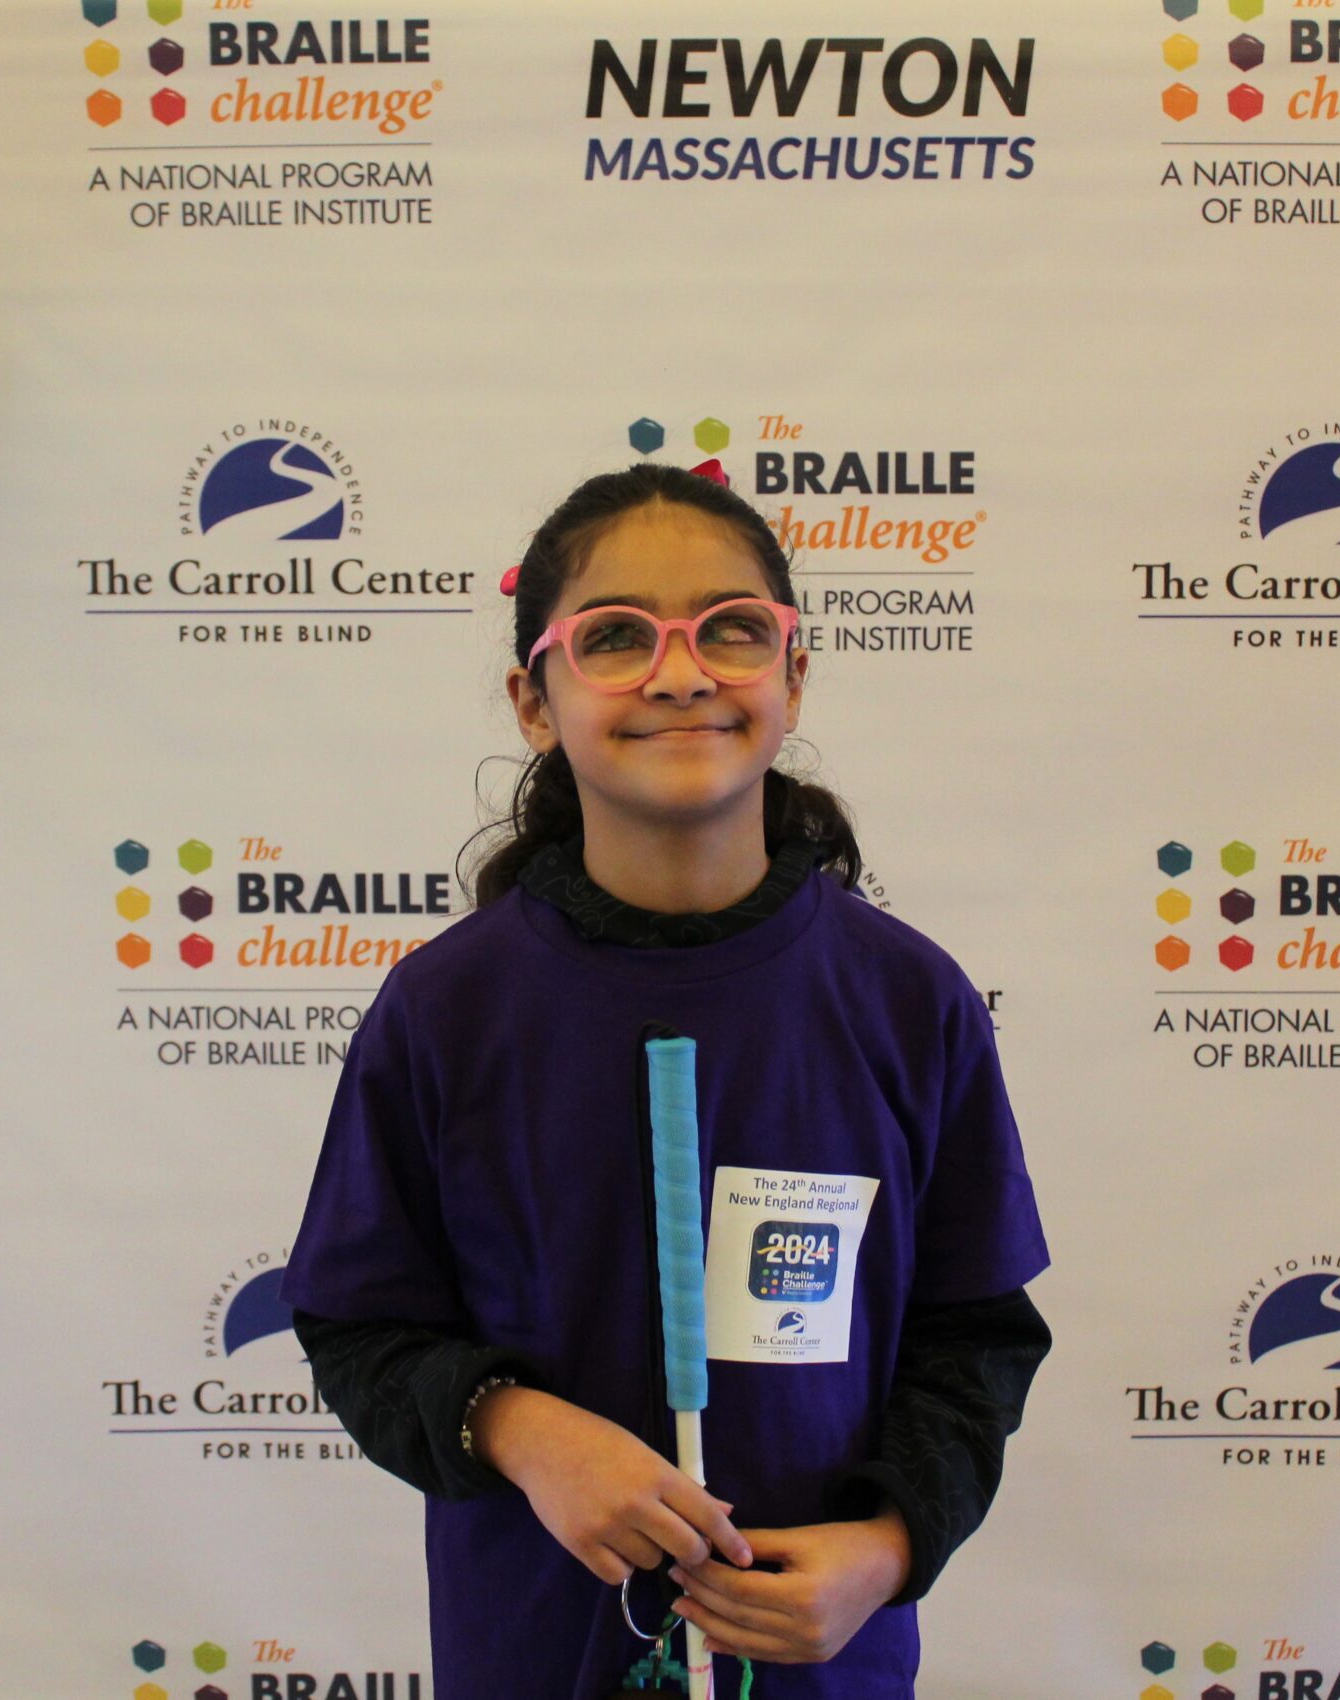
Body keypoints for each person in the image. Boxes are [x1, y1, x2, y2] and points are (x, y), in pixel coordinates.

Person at [281, 462, 1052, 1699]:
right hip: (540, 1651)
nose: (682, 671)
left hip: (818, 1669)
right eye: (617, 636)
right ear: (536, 700)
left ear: (793, 675)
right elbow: (358, 1323)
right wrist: (520, 1427)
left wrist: (886, 1547)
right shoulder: (446, 1009)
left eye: (732, 630)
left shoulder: (908, 1000)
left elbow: (974, 1337)